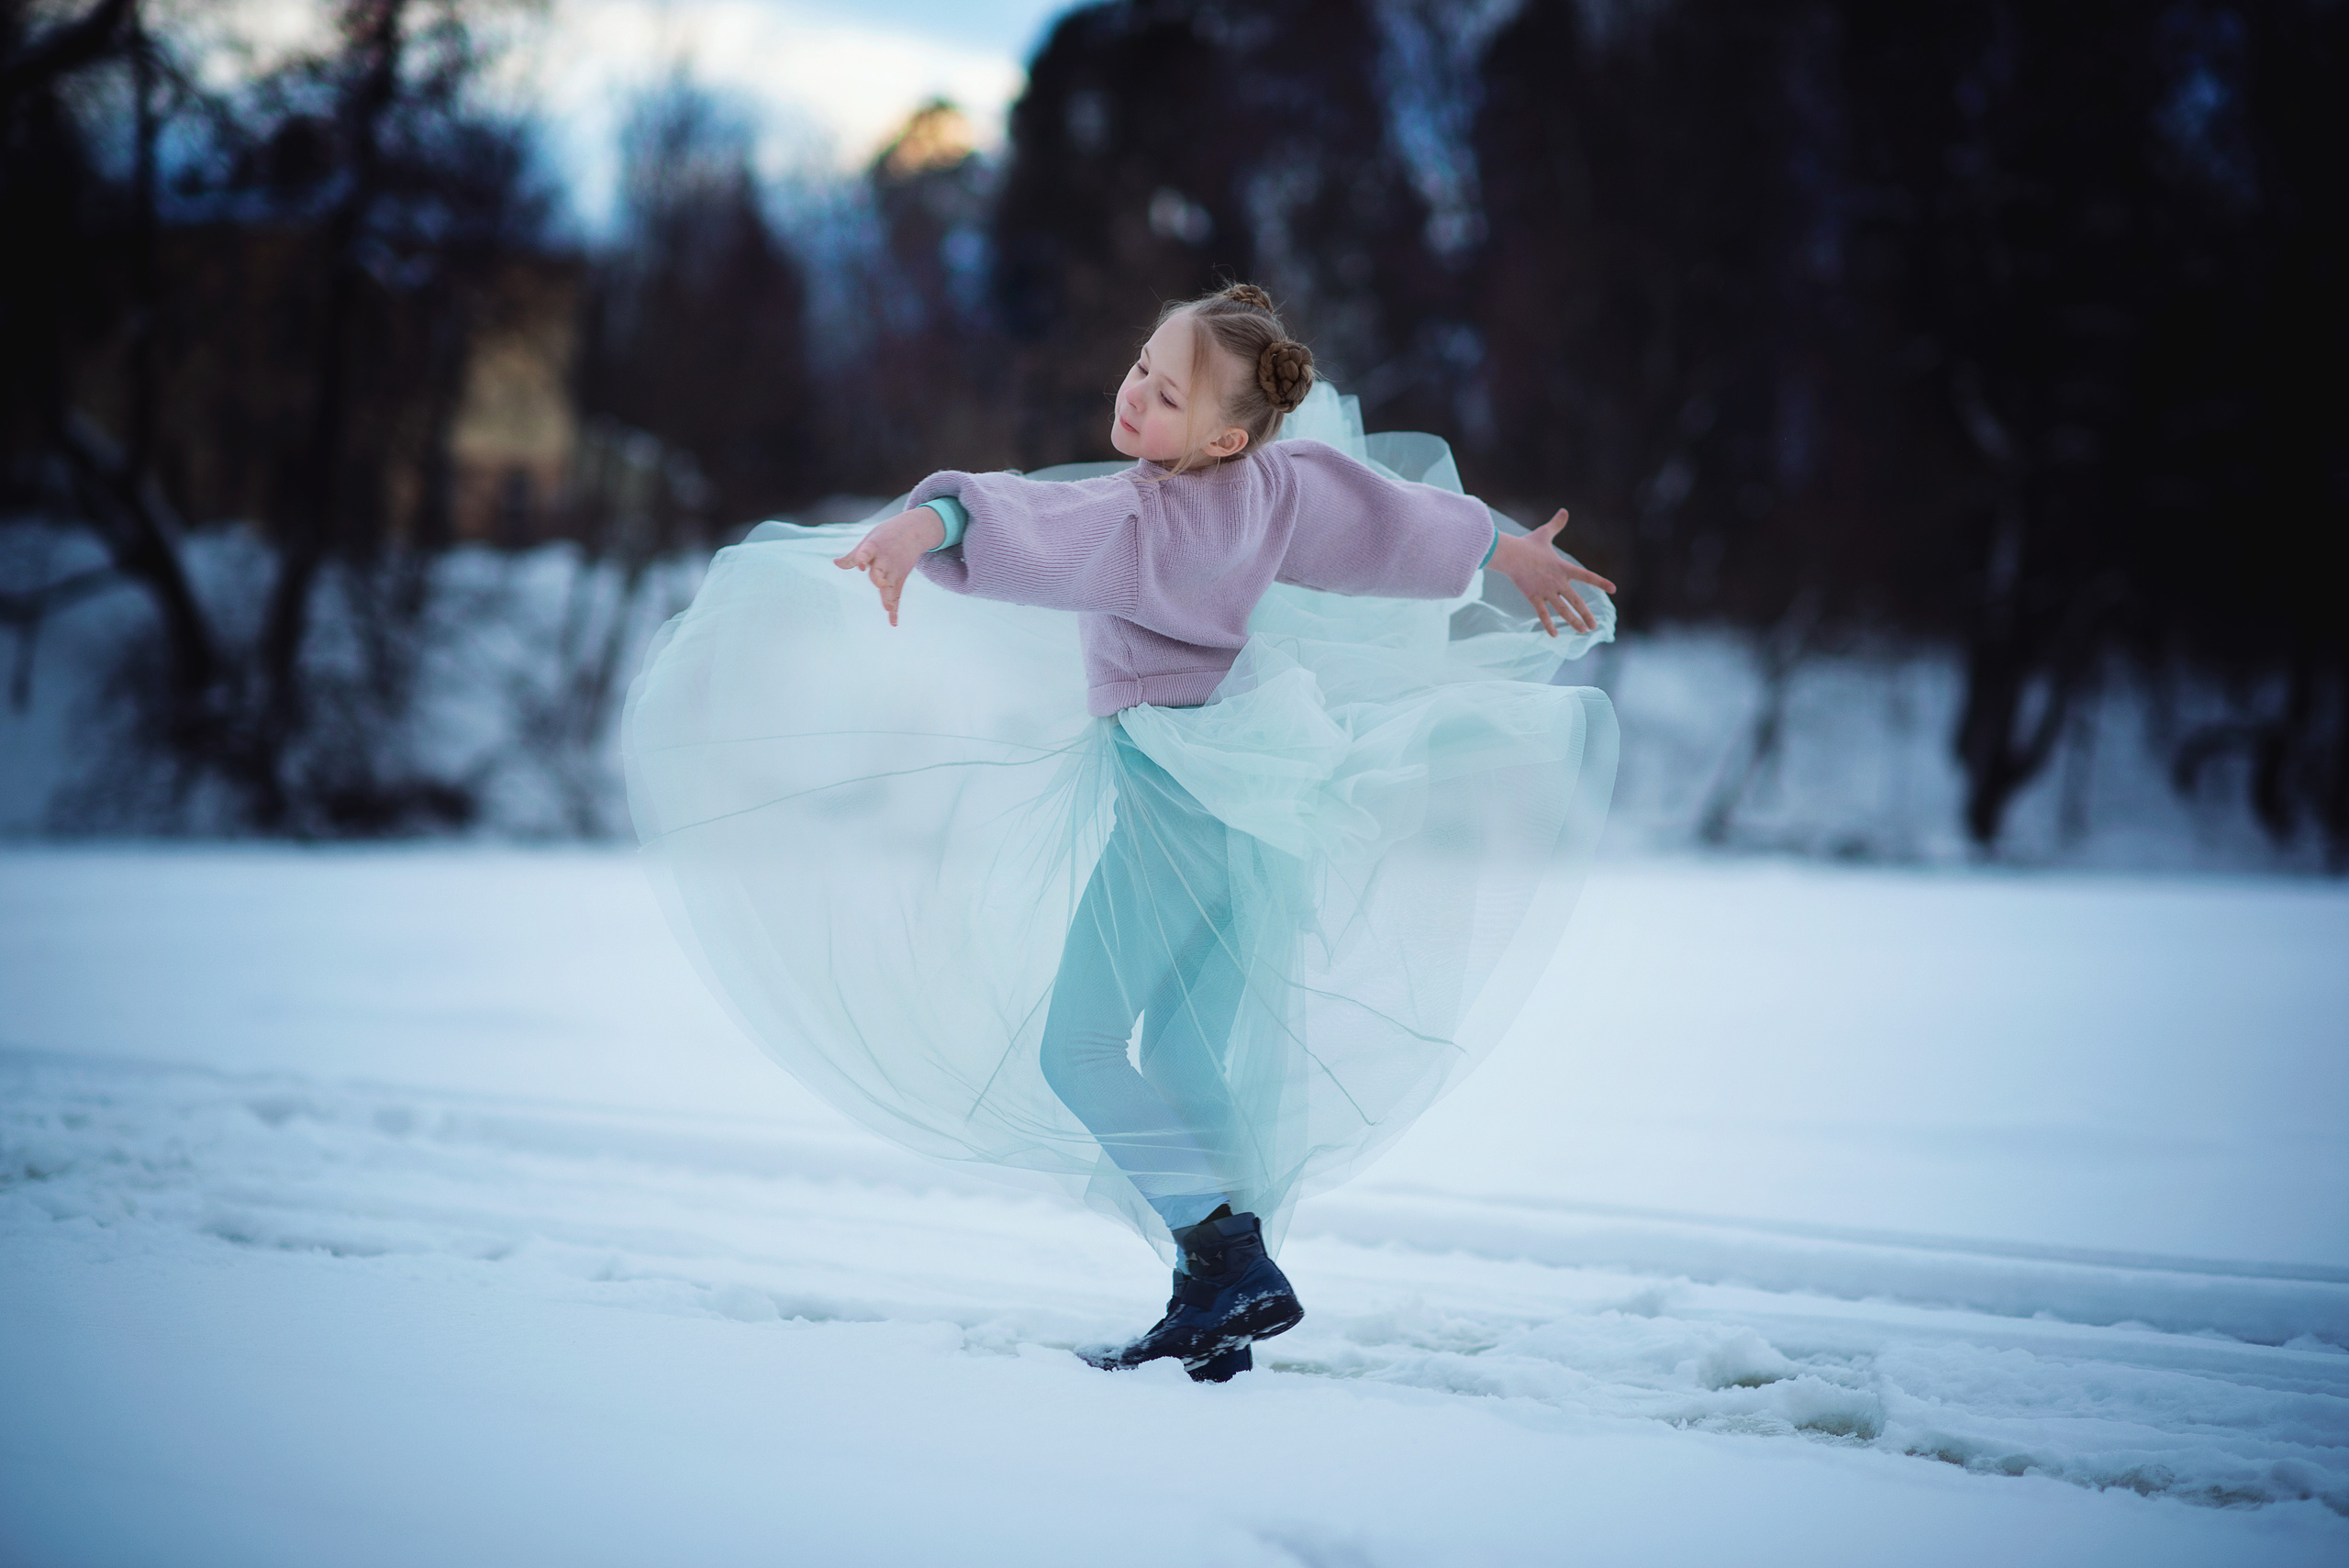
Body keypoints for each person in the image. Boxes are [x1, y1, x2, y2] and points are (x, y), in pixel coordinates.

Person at [624, 284, 1619, 1383]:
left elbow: (1034, 519)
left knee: (1079, 1049)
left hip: (1179, 793)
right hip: (1259, 783)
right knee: (1191, 1054)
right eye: (1141, 366)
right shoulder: (1275, 488)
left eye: (1168, 390)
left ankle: (1223, 1259)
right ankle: (1222, 1307)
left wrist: (927, 518)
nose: (1136, 393)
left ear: (1223, 434)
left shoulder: (1146, 516)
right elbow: (1380, 516)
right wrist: (1497, 544)